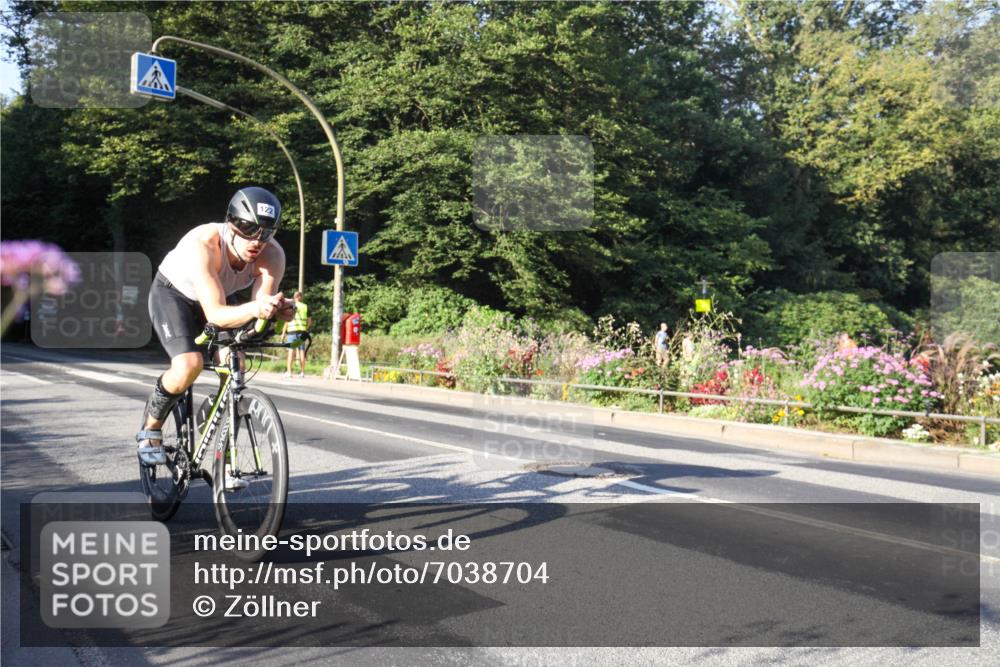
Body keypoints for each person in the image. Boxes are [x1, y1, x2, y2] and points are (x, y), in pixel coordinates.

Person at [136, 187, 294, 486]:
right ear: (231, 223)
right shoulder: (204, 242)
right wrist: (258, 308)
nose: (256, 241)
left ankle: (221, 438)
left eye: (267, 233)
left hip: (222, 297)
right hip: (174, 295)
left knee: (237, 363)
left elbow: (258, 308)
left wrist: (274, 309)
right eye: (248, 229)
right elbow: (216, 314)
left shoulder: (273, 255)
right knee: (188, 365)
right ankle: (151, 429)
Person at [281, 291, 312, 378]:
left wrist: (283, 333)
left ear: (294, 297)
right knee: (302, 351)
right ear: (300, 297)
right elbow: (309, 321)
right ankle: (302, 372)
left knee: (291, 352)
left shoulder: (291, 306)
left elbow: (287, 320)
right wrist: (305, 329)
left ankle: (289, 372)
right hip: (302, 332)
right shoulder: (305, 306)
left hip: (292, 332)